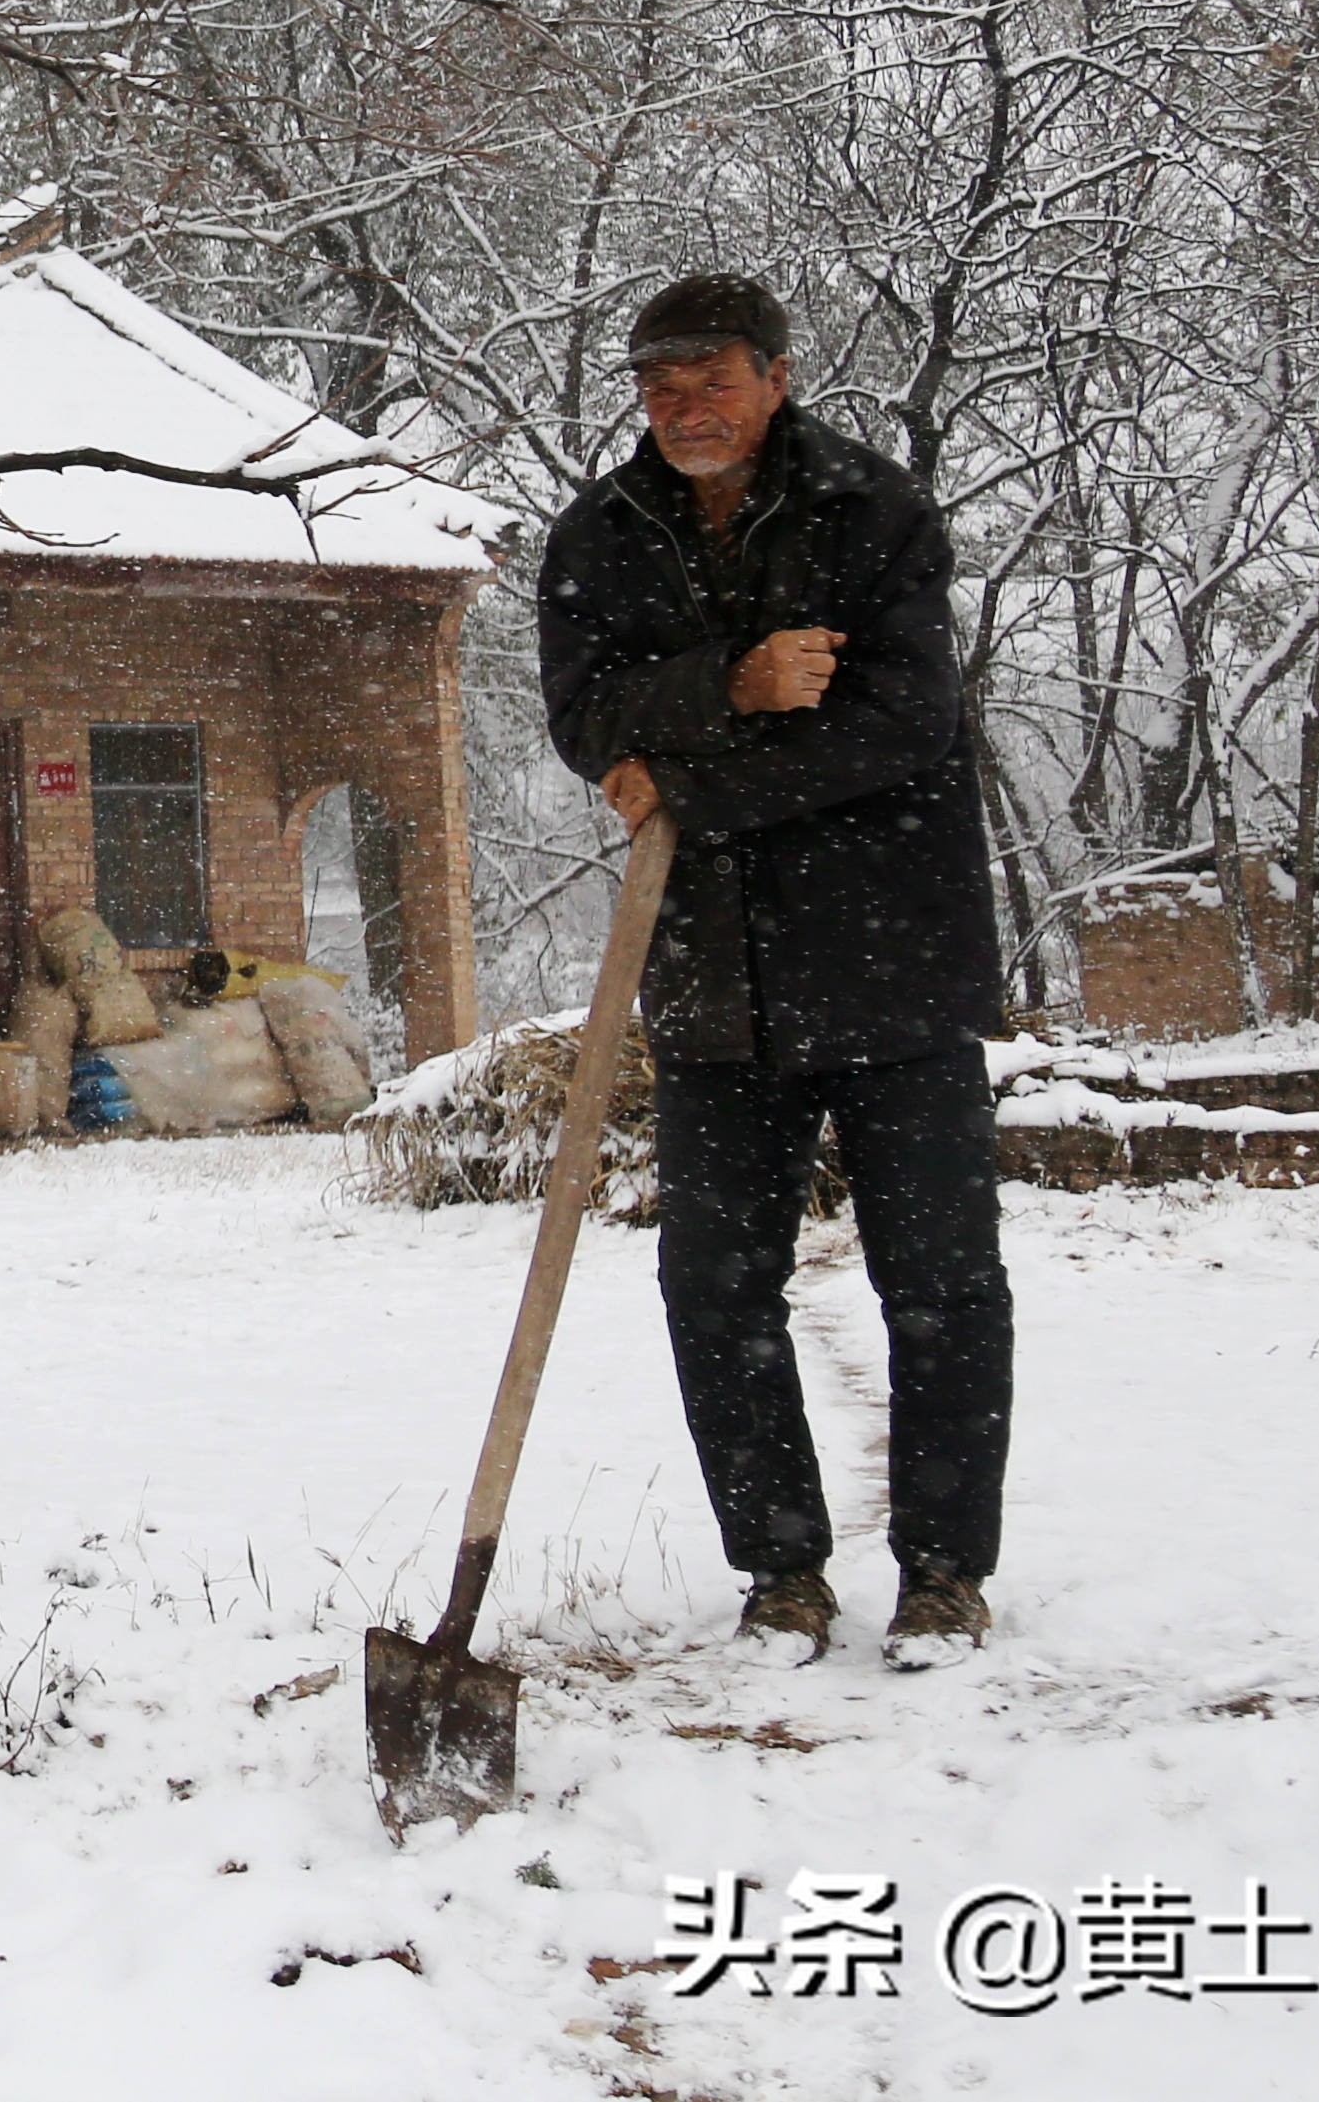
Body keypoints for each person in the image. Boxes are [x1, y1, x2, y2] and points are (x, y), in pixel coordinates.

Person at [537, 271, 1013, 1669]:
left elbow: (900, 728)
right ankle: (780, 1571)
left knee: (935, 1277)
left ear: (776, 377)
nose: (684, 411)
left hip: (891, 955)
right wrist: (728, 688)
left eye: (713, 381)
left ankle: (940, 1571)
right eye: (659, 386)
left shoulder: (873, 516)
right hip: (712, 970)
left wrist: (683, 781)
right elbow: (582, 718)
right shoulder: (600, 536)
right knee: (713, 1281)